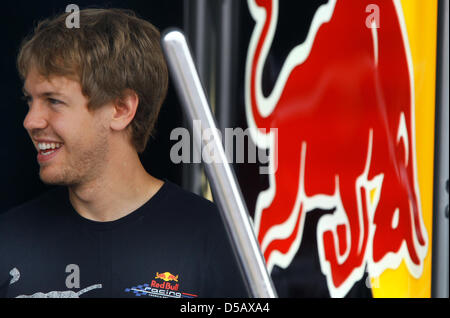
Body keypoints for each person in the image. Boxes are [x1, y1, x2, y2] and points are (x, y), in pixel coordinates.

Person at [0, 8, 248, 298]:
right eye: (30, 100)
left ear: (121, 109)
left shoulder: (215, 238)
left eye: (53, 101)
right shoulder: (9, 238)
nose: (30, 121)